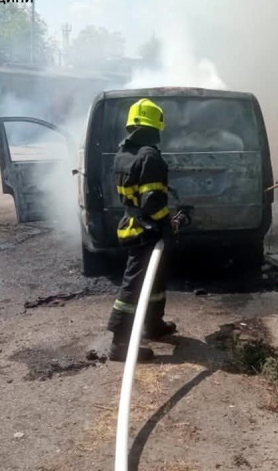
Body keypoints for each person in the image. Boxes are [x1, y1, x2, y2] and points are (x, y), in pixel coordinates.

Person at [107, 98, 187, 361]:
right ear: (155, 127)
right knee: (135, 283)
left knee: (155, 277)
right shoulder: (149, 156)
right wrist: (167, 224)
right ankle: (120, 343)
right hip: (146, 227)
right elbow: (152, 201)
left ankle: (153, 324)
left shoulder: (123, 153)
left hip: (133, 223)